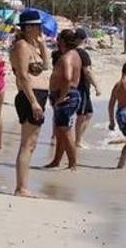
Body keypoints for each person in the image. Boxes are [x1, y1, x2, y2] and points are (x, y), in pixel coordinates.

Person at [11, 10, 51, 196]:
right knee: (27, 143)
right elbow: (23, 75)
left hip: (39, 95)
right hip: (30, 96)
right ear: (28, 27)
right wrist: (34, 102)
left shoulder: (32, 45)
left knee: (32, 143)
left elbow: (46, 67)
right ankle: (21, 187)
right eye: (37, 25)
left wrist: (42, 47)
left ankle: (23, 185)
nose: (41, 28)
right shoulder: (21, 46)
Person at [44, 30, 83, 170]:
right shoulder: (75, 55)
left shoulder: (67, 57)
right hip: (68, 94)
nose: (57, 41)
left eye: (58, 38)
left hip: (66, 95)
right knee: (61, 130)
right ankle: (56, 160)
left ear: (63, 41)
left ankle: (73, 164)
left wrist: (61, 97)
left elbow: (67, 77)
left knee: (65, 131)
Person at [70, 29, 101, 150]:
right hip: (81, 87)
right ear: (85, 39)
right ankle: (77, 140)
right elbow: (87, 71)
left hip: (78, 86)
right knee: (82, 114)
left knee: (88, 113)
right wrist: (96, 86)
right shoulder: (82, 53)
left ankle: (79, 138)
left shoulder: (72, 52)